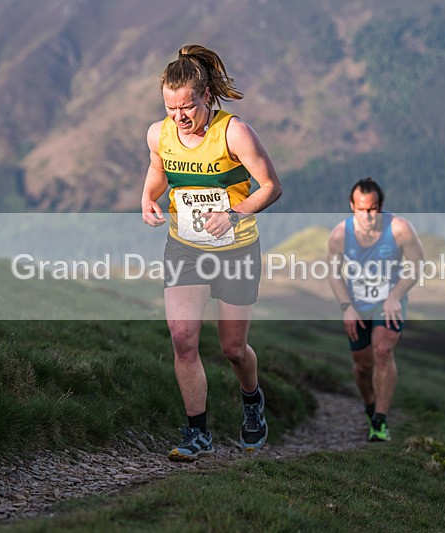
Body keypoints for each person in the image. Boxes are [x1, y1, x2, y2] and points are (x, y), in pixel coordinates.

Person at [141, 45, 282, 461]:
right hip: (184, 248)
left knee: (233, 349)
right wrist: (147, 199)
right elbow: (158, 170)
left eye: (187, 107)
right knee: (183, 339)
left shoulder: (234, 132)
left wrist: (233, 214)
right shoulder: (159, 133)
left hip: (236, 250)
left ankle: (252, 398)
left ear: (206, 96)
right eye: (170, 108)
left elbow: (271, 187)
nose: (179, 117)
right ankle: (197, 433)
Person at [327, 178, 424, 442]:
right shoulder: (340, 234)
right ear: (352, 206)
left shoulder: (399, 228)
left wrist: (395, 295)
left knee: (382, 351)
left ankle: (380, 420)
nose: (368, 216)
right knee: (362, 366)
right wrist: (346, 307)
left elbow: (417, 263)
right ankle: (370, 405)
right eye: (361, 209)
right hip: (356, 304)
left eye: (373, 209)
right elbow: (333, 273)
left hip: (388, 302)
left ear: (380, 206)